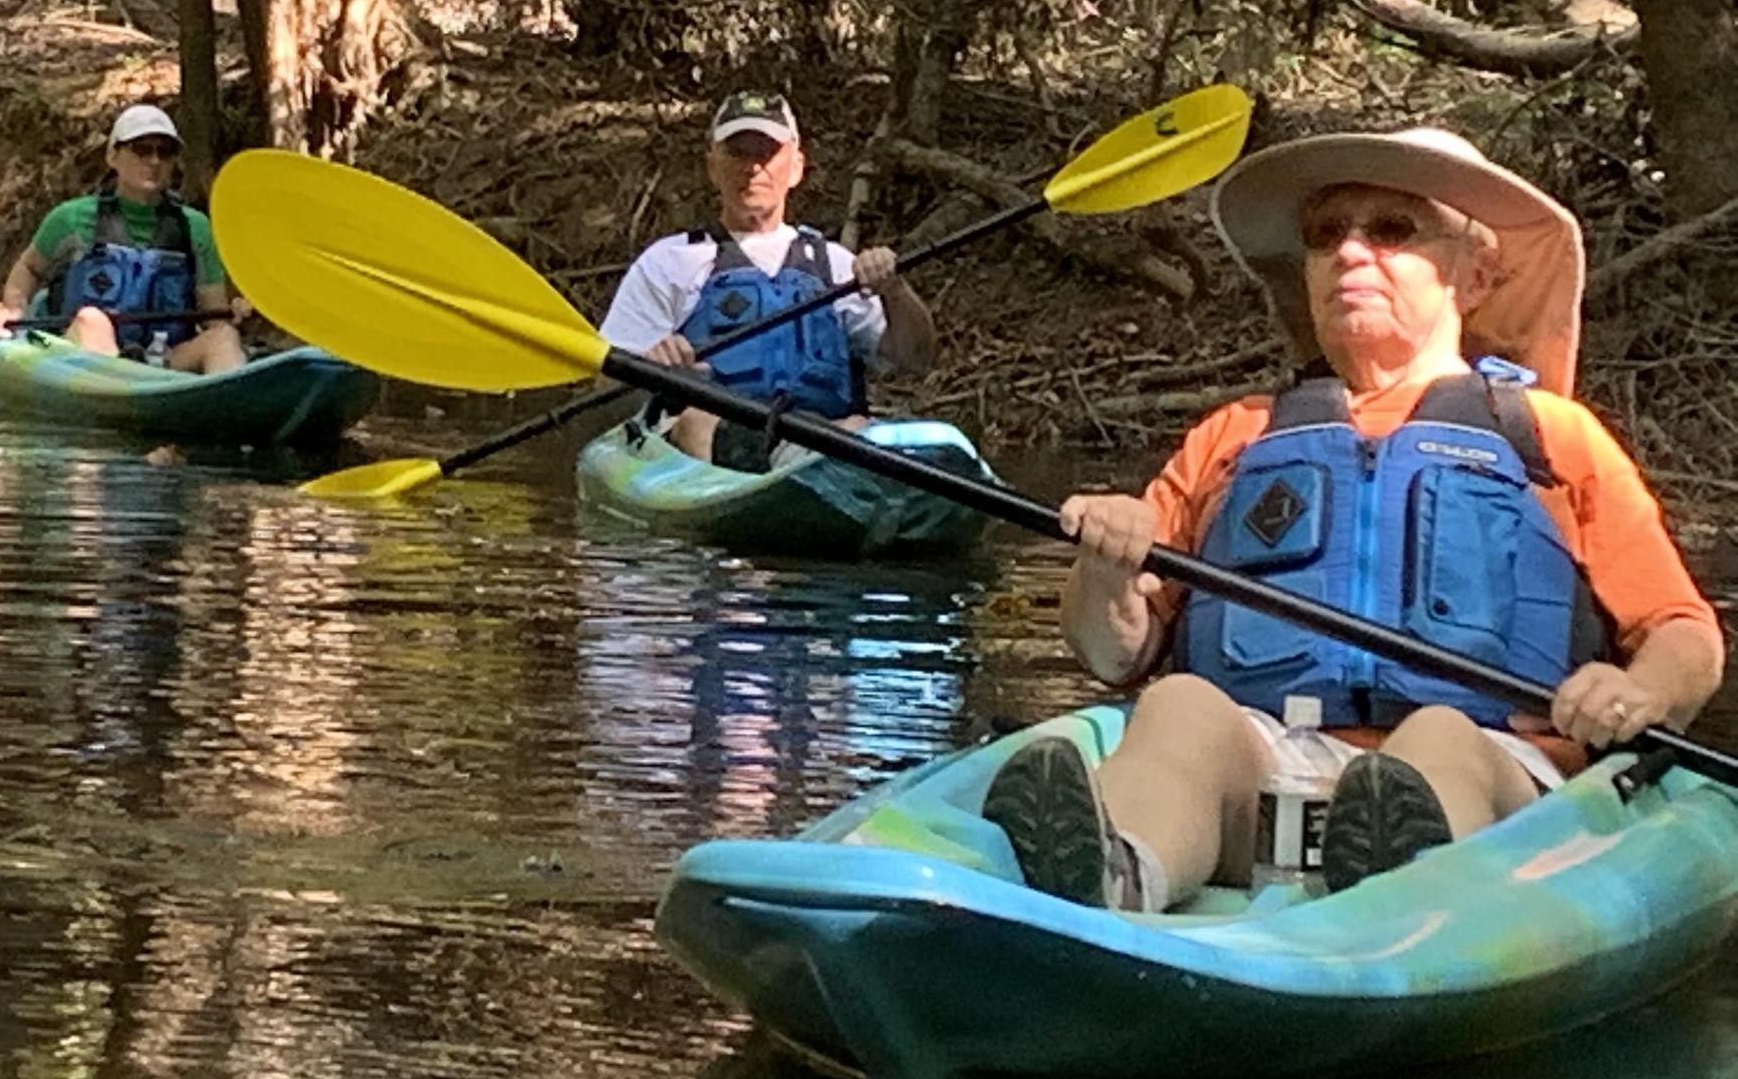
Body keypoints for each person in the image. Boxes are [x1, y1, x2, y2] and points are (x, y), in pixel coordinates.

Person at [982, 127, 1724, 909]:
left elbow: (1684, 633)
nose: (1348, 252)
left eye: (1392, 230)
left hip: (1498, 775)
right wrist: (1106, 567)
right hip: (1270, 763)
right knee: (1179, 707)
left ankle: (1400, 891)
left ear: (1472, 275)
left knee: (1436, 738)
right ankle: (1116, 871)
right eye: (1325, 234)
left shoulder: (1549, 437)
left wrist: (1640, 693)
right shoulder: (1234, 436)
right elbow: (1113, 652)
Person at [598, 90, 937, 468]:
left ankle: (813, 471)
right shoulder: (670, 262)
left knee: (858, 425)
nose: (752, 167)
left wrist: (895, 290)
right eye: (738, 152)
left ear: (796, 167)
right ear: (713, 166)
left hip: (825, 440)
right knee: (696, 422)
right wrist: (651, 372)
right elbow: (605, 391)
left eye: (766, 152)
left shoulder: (838, 267)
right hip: (707, 453)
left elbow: (917, 360)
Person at [0, 103, 247, 373]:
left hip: (163, 361)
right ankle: (125, 396)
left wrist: (233, 315)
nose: (154, 161)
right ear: (112, 157)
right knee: (91, 319)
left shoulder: (195, 227)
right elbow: (29, 268)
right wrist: (13, 309)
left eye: (165, 152)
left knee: (224, 337)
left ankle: (233, 406)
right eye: (141, 150)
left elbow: (214, 315)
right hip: (82, 355)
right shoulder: (71, 219)